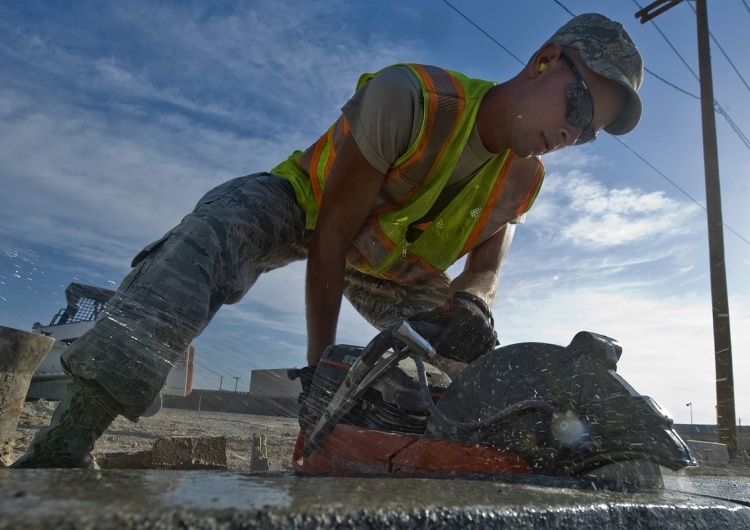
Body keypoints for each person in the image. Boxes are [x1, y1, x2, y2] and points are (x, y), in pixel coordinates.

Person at [13, 12, 644, 468]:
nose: (573, 136)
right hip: (305, 209)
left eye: (589, 135)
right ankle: (65, 441)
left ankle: (451, 461)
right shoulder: (412, 98)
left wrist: (474, 302)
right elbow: (332, 235)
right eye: (580, 111)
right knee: (207, 240)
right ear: (543, 62)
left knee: (475, 362)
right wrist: (320, 374)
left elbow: (487, 263)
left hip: (391, 264)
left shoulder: (525, 176)